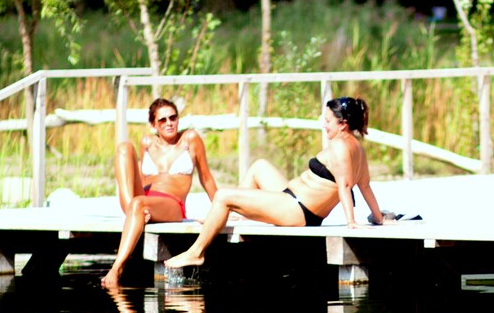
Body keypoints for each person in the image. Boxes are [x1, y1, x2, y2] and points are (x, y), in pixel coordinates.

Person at [163, 96, 386, 269]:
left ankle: (197, 252)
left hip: (296, 209)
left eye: (328, 121)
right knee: (259, 166)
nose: (323, 125)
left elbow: (345, 186)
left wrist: (350, 222)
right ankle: (231, 215)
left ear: (343, 124)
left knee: (224, 196)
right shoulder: (357, 148)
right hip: (293, 199)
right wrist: (378, 217)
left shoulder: (339, 147)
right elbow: (364, 185)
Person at [102, 98, 218, 288]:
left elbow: (206, 177)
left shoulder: (190, 139)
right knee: (124, 148)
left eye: (173, 117)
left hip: (171, 205)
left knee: (139, 204)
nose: (169, 123)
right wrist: (138, 201)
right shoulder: (147, 142)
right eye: (162, 120)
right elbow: (139, 177)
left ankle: (117, 267)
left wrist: (220, 208)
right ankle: (135, 210)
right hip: (142, 199)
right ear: (153, 124)